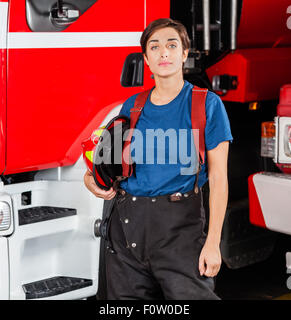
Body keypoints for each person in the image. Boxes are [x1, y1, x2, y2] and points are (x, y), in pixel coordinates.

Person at [84, 18, 232, 300]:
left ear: (184, 54)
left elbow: (218, 179)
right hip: (127, 229)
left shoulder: (206, 104)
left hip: (180, 233)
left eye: (171, 45)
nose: (164, 52)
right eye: (155, 47)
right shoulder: (132, 106)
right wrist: (90, 178)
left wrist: (213, 242)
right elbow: (109, 164)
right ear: (146, 59)